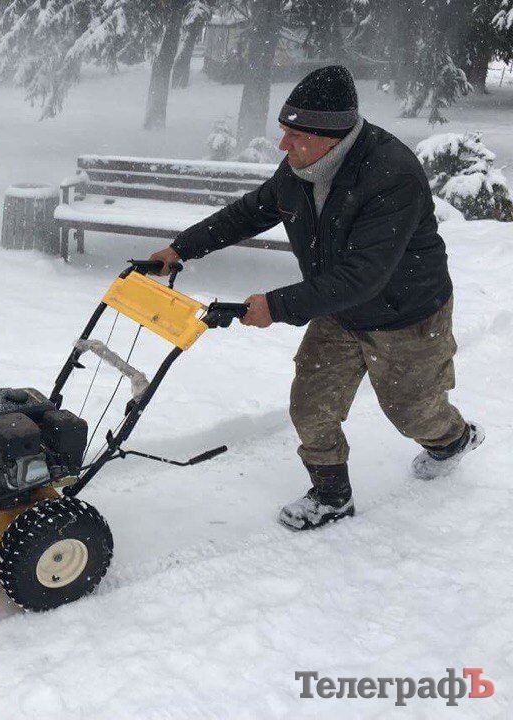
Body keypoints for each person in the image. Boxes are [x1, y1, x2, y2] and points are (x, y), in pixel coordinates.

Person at [149, 65, 483, 531]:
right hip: (338, 308)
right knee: (310, 405)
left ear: (333, 137)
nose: (283, 146)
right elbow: (249, 212)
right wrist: (180, 249)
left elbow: (363, 276)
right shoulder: (300, 167)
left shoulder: (391, 175)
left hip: (405, 316)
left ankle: (453, 440)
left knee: (412, 414)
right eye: (283, 132)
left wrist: (276, 305)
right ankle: (331, 496)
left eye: (294, 135)